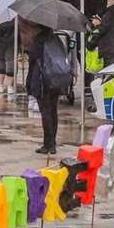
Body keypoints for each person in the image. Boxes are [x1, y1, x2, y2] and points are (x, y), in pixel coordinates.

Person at [27, 25, 72, 155]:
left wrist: (29, 82)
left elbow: (32, 61)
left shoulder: (39, 40)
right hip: (56, 78)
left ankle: (49, 144)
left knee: (45, 111)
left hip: (42, 80)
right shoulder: (57, 39)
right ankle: (52, 141)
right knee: (53, 110)